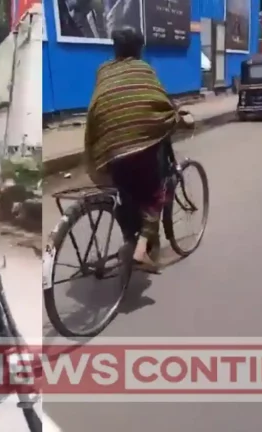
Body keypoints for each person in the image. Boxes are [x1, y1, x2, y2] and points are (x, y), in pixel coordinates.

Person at [84, 26, 193, 273]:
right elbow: (161, 102)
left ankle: (129, 241)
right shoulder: (144, 69)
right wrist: (178, 117)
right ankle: (141, 250)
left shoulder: (104, 70)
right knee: (156, 193)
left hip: (110, 147)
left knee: (126, 191)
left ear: (115, 49)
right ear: (139, 49)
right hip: (138, 145)